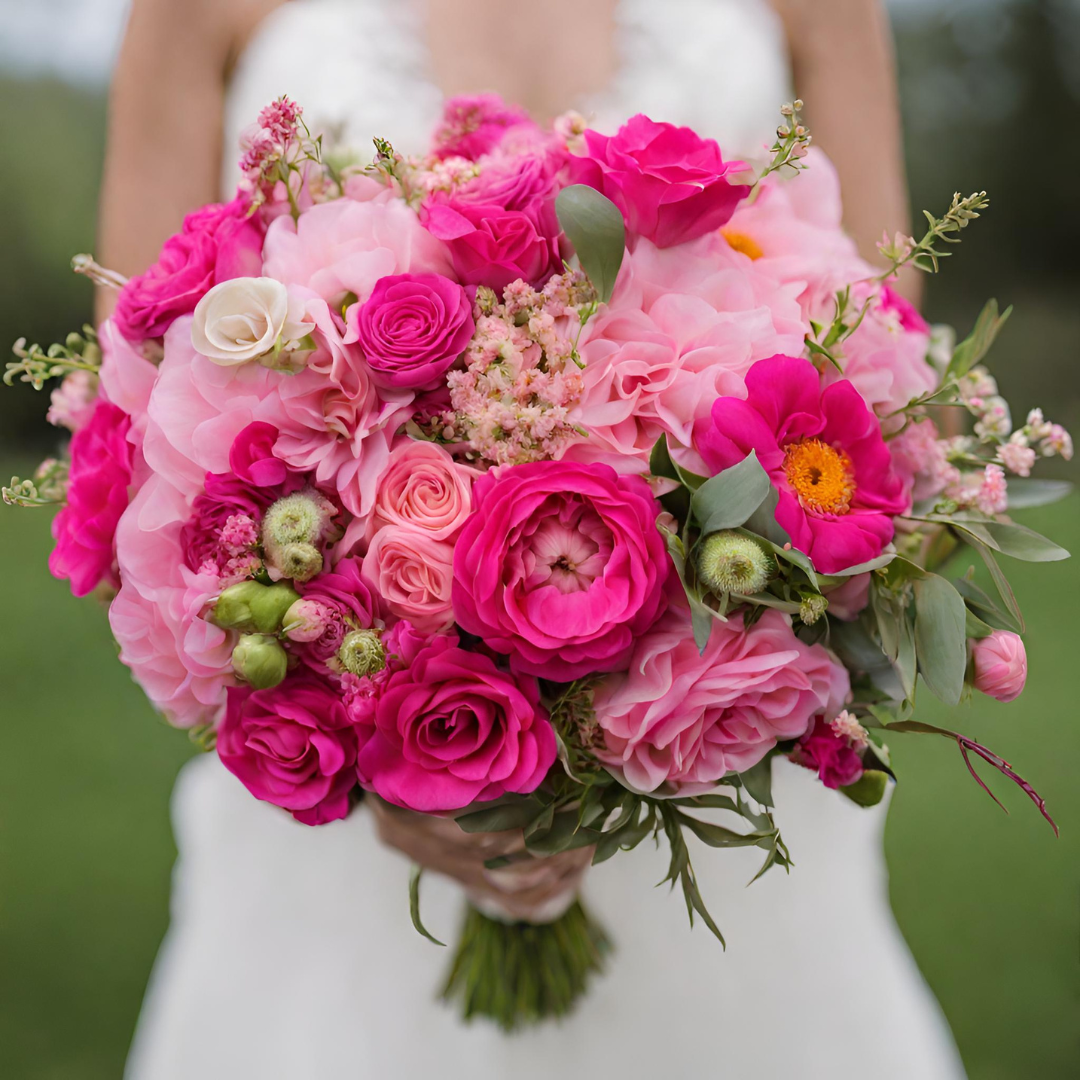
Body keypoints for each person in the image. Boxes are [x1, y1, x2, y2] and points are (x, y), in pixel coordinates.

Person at [101, 1, 963, 1076]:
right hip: (353, 855)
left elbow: (898, 381)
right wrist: (381, 734)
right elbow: (130, 393)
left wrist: (696, 657)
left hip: (719, 762)